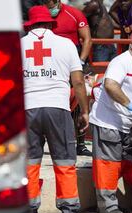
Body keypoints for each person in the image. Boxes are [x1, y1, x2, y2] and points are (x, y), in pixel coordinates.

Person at [22, 6, 88, 213]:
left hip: (27, 109)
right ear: (50, 24)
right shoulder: (66, 44)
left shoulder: (18, 46)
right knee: (65, 163)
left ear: (30, 25)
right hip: (58, 108)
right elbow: (78, 82)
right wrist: (85, 111)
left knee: (29, 164)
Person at [89, 31, 132, 213]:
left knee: (127, 162)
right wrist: (129, 104)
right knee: (107, 165)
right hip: (107, 121)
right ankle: (107, 207)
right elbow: (111, 85)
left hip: (125, 124)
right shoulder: (120, 62)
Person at [43, 0, 93, 156]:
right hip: (50, 62)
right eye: (45, 3)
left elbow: (87, 40)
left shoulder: (74, 13)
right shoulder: (41, 15)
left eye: (50, 3)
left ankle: (81, 143)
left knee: (78, 99)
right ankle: (50, 140)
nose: (48, 7)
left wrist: (81, 61)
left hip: (74, 61)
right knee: (52, 100)